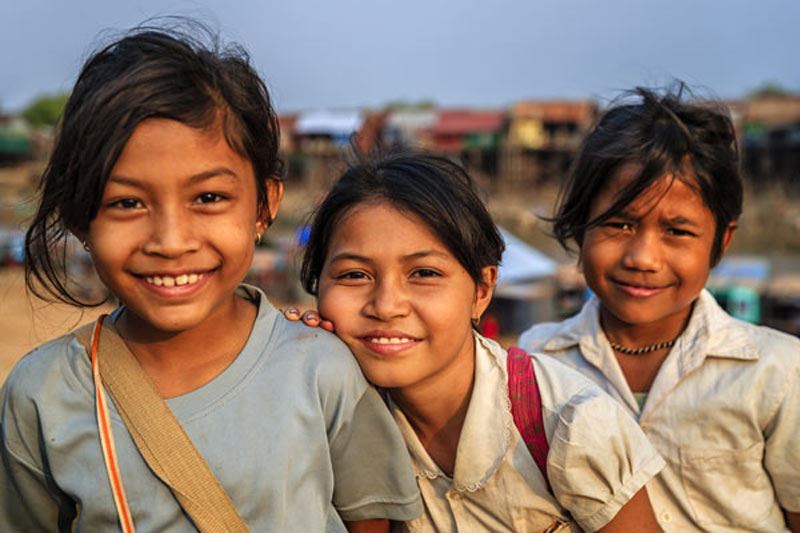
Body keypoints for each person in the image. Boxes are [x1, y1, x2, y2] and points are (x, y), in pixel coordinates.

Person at [0, 24, 420, 531]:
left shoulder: (321, 370)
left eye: (208, 198)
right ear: (80, 219)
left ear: (265, 204)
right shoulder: (41, 396)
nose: (172, 242)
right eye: (127, 203)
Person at [293, 152, 665, 531]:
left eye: (424, 273)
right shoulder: (328, 413)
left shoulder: (568, 423)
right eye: (354, 275)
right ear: (317, 287)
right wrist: (295, 351)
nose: (386, 306)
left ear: (482, 289)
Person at [518, 86, 800, 532]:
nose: (643, 258)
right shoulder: (536, 364)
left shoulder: (778, 373)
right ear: (579, 225)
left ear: (720, 242)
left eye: (677, 231)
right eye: (619, 223)